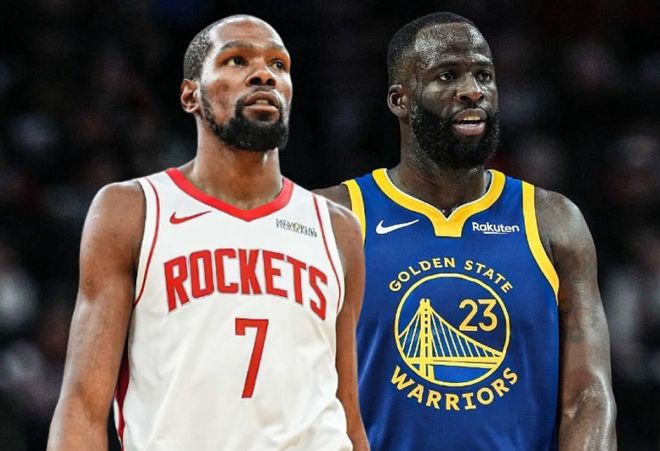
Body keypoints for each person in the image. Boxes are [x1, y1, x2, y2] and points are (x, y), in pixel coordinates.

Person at [47, 15, 369, 451]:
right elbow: (83, 406)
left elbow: (347, 413)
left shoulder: (337, 228)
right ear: (190, 95)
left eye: (278, 65)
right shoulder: (132, 210)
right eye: (237, 60)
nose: (263, 74)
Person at [316, 11, 616, 450]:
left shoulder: (552, 220)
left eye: (484, 75)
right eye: (447, 75)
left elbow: (588, 397)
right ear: (400, 100)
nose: (473, 90)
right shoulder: (334, 216)